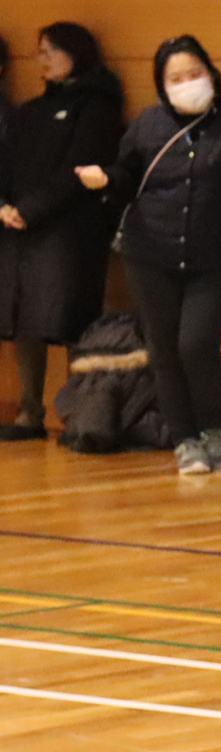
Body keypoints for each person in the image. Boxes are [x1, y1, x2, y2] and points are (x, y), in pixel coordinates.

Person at [77, 36, 221, 475]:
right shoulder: (148, 124)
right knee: (164, 349)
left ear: (212, 73)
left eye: (194, 73)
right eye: (175, 78)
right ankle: (185, 440)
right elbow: (128, 175)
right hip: (151, 253)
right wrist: (105, 178)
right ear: (162, 85)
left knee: (196, 343)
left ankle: (214, 429)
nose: (187, 83)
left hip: (220, 255)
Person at [0, 24, 123, 441]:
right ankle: (29, 412)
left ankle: (81, 414)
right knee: (23, 316)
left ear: (77, 52)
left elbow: (80, 166)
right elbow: (6, 161)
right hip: (20, 224)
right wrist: (5, 206)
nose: (44, 59)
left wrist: (32, 209)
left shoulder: (99, 106)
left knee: (72, 317)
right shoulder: (31, 110)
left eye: (52, 51)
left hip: (71, 227)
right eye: (39, 52)